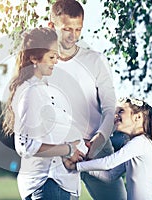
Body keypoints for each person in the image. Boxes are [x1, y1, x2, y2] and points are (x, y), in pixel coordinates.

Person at [47, 0, 127, 199]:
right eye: (66, 29)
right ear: (51, 27)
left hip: (98, 150)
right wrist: (65, 147)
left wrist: (98, 140)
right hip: (60, 153)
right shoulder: (42, 65)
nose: (73, 36)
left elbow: (110, 108)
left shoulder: (95, 60)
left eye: (78, 29)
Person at [1, 27, 87, 200]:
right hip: (50, 184)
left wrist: (77, 144)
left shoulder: (45, 90)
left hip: (59, 184)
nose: (56, 61)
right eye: (51, 57)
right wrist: (69, 150)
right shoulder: (32, 92)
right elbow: (26, 145)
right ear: (34, 58)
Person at [63, 97, 152, 200]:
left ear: (138, 117)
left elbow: (109, 163)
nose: (115, 115)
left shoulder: (141, 142)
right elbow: (110, 175)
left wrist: (77, 166)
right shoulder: (136, 145)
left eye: (121, 111)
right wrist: (86, 167)